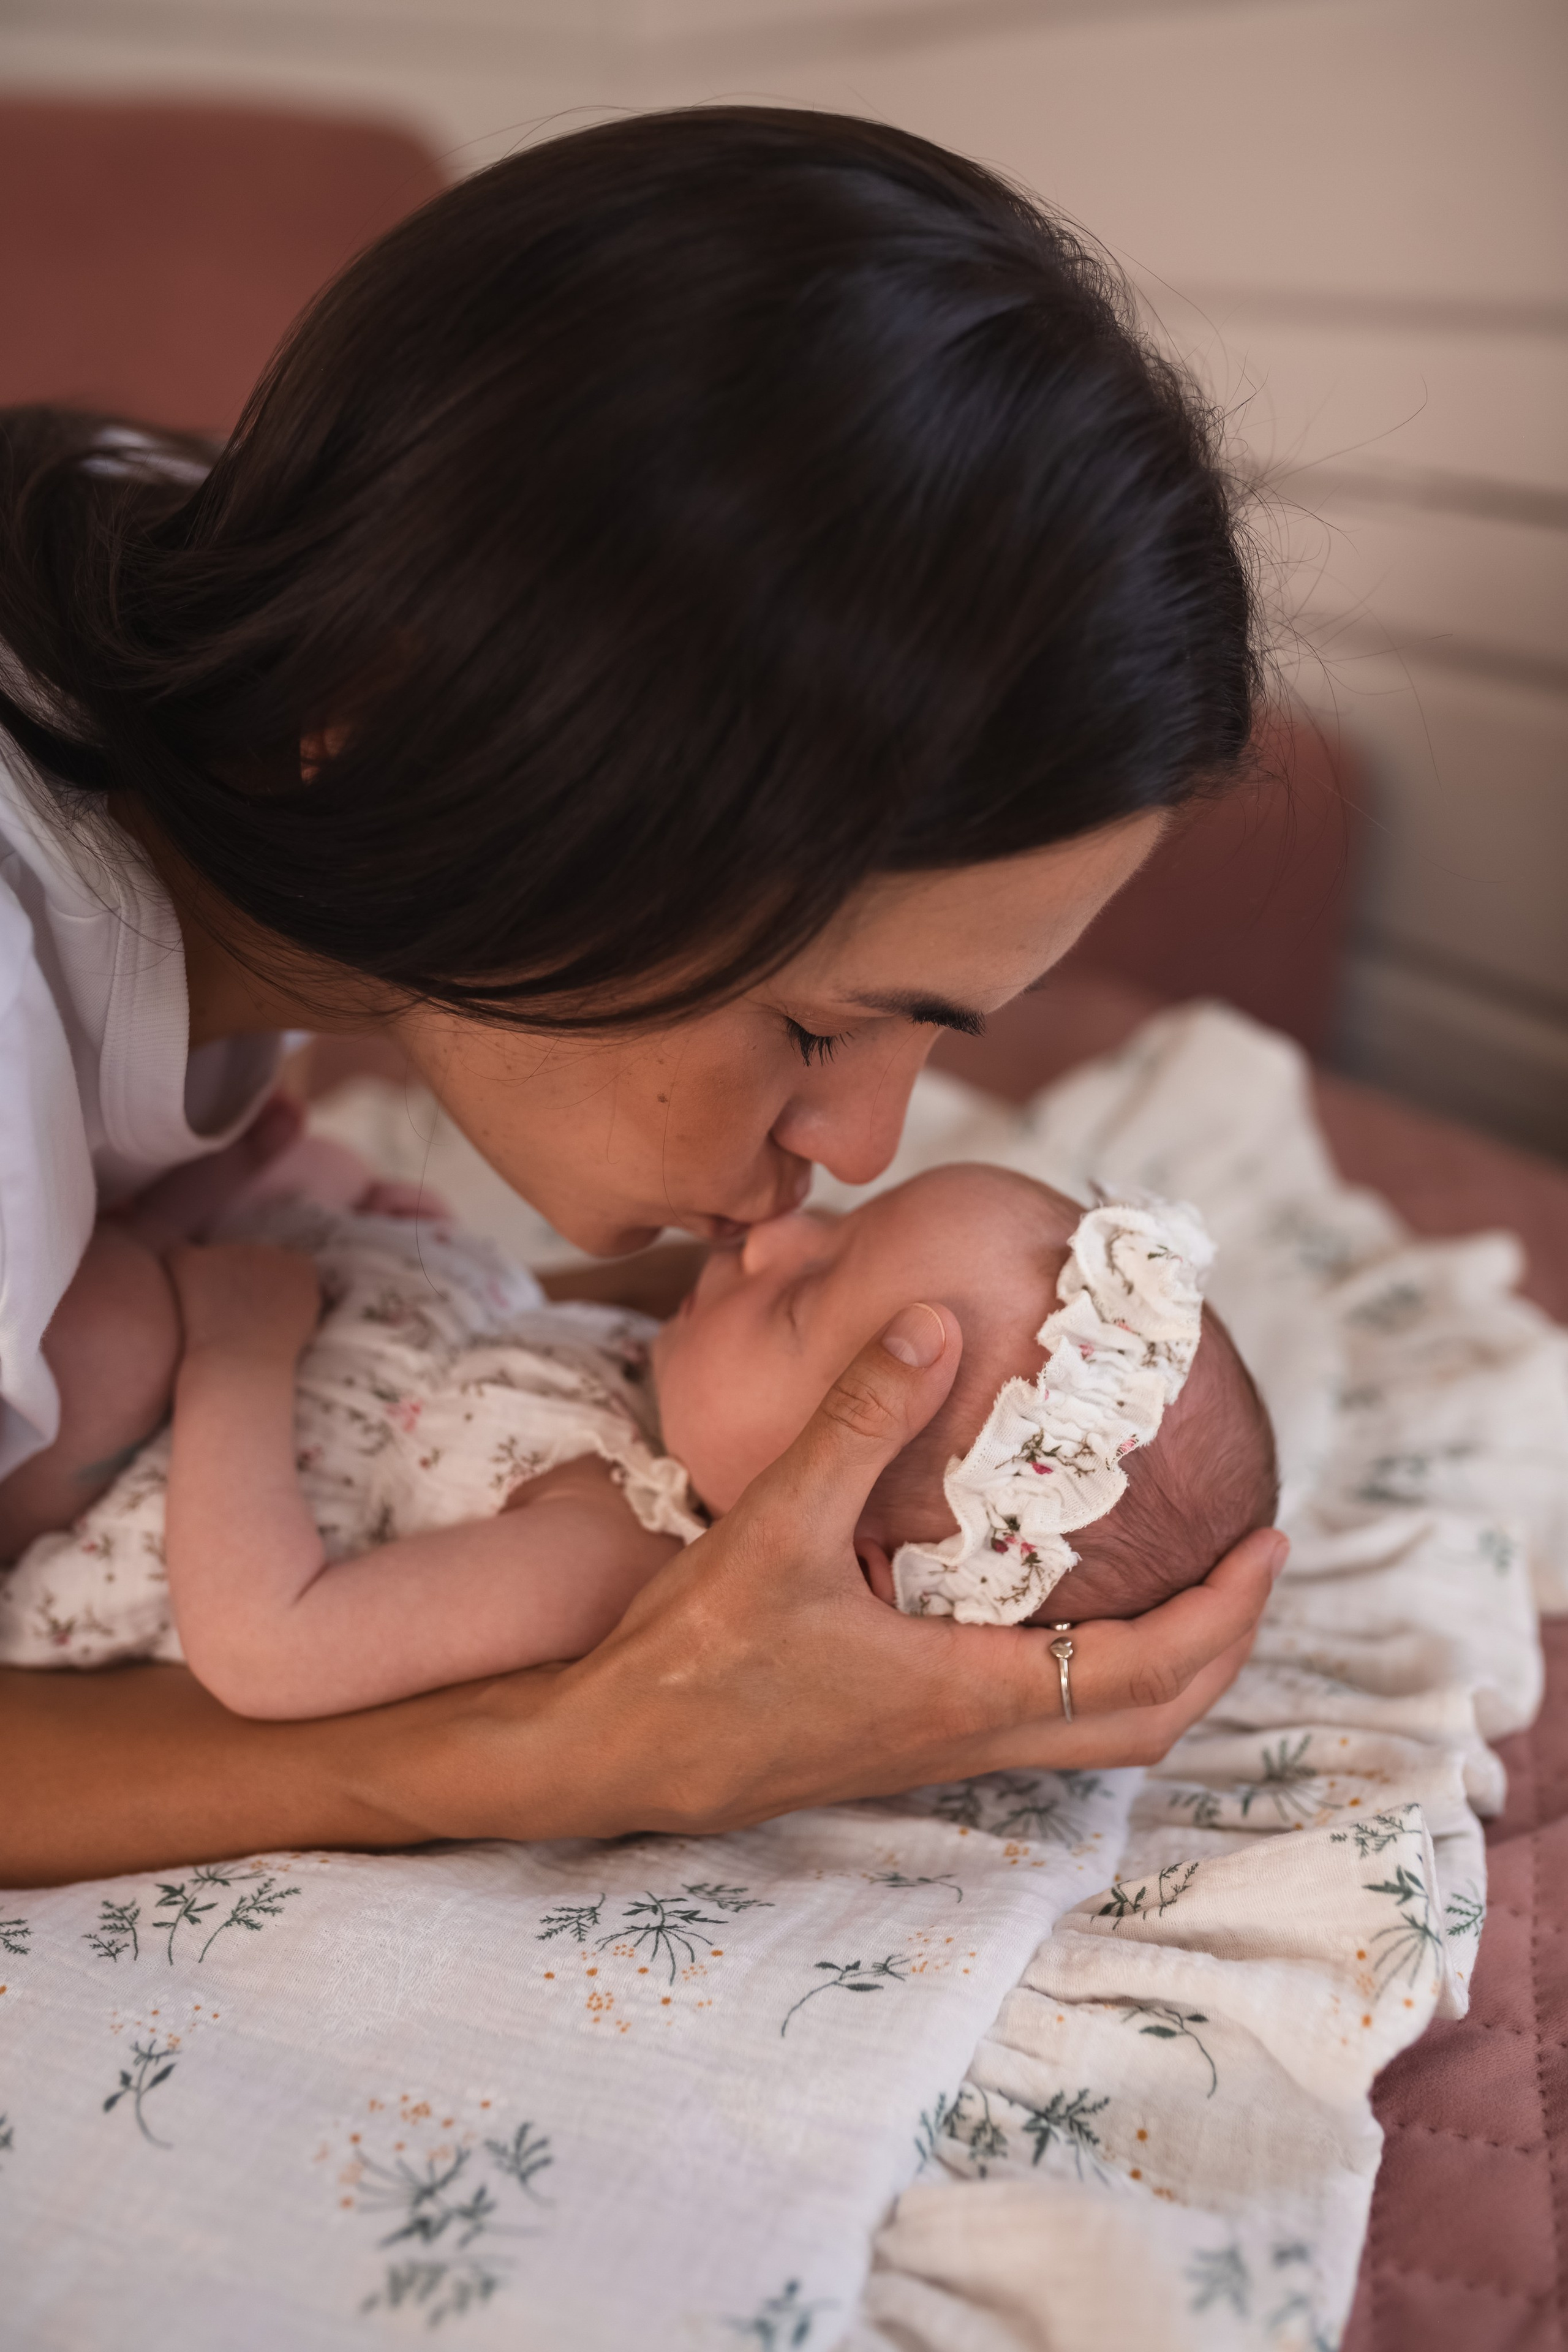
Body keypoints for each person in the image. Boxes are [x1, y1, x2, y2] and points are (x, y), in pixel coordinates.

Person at [0, 106, 1285, 1885]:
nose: (856, 1145)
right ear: (435, 725)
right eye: (820, 1023)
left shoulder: (214, 585)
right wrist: (578, 1750)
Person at [1, 1162, 1276, 1717]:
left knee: (97, 1316)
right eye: (842, 1220)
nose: (768, 1237)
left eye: (794, 1299)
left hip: (148, 1471)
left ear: (837, 1541)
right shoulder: (656, 1407)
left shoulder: (601, 1545)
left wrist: (241, 1355)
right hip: (239, 1322)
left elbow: (267, 1646)